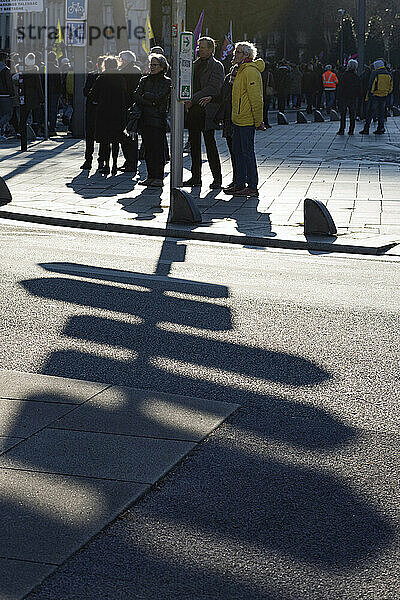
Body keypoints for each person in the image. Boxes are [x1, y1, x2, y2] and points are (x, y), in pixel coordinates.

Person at [183, 36, 224, 189]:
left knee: (210, 144)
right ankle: (196, 177)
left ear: (211, 49)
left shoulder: (216, 66)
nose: (199, 49)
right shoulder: (194, 64)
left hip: (207, 110)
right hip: (193, 109)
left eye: (202, 47)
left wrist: (192, 99)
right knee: (194, 144)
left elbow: (214, 88)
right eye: (198, 47)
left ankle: (217, 178)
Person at [229, 41, 265, 197]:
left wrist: (259, 121)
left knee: (247, 153)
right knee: (237, 152)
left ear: (246, 55)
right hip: (238, 118)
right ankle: (239, 183)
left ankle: (252, 185)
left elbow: (256, 99)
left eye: (238, 52)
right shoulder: (240, 70)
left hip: (247, 120)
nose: (234, 54)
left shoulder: (250, 71)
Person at [131, 53, 171, 187]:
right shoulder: (144, 80)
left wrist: (147, 98)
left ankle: (158, 177)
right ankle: (150, 175)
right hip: (144, 118)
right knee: (147, 149)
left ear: (162, 67)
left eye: (155, 65)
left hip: (158, 119)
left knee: (158, 149)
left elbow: (160, 98)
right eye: (150, 65)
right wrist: (149, 101)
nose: (152, 67)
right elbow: (136, 96)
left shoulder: (167, 82)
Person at [89, 57, 127, 176]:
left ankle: (106, 164)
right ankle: (115, 163)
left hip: (104, 112)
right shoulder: (121, 78)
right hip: (118, 113)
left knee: (105, 141)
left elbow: (93, 94)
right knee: (116, 140)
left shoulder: (102, 78)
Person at [118, 50, 142, 173]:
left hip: (127, 107)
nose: (119, 61)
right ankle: (130, 161)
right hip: (130, 107)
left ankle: (131, 162)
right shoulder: (136, 70)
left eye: (121, 59)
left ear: (126, 60)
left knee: (129, 136)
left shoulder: (128, 71)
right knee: (129, 136)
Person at [81, 55, 103, 171]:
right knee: (89, 135)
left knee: (102, 136)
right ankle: (88, 160)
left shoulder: (107, 77)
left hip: (102, 111)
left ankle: (101, 160)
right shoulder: (92, 76)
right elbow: (85, 91)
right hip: (91, 110)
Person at [360, 59, 393, 135]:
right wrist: (387, 92)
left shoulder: (375, 73)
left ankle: (366, 129)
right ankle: (380, 128)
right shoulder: (389, 74)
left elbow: (371, 85)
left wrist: (371, 94)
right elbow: (391, 86)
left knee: (370, 113)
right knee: (381, 113)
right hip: (384, 96)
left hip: (375, 95)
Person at [336, 59, 361, 136]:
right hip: (352, 97)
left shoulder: (344, 75)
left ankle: (342, 129)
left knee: (343, 114)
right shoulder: (356, 76)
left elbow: (340, 87)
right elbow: (359, 88)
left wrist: (338, 97)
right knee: (352, 114)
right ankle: (351, 130)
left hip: (344, 97)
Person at [46, 51, 62, 135]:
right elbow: (59, 82)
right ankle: (52, 128)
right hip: (54, 92)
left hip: (45, 92)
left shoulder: (44, 67)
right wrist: (60, 93)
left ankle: (45, 126)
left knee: (46, 109)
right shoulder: (56, 69)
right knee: (53, 110)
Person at [0, 52, 15, 139]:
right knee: (8, 113)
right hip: (5, 94)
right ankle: (1, 129)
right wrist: (12, 93)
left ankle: (2, 131)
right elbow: (8, 83)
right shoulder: (5, 70)